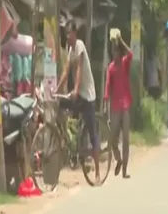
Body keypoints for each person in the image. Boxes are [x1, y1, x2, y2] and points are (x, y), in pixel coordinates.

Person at [56, 22, 101, 184]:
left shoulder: (80, 45)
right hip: (77, 95)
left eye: (70, 34)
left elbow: (80, 68)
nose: (68, 37)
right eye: (66, 34)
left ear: (75, 33)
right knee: (60, 104)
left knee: (92, 132)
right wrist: (56, 89)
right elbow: (66, 70)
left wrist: (75, 89)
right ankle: (69, 140)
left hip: (87, 96)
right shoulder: (70, 50)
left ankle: (97, 172)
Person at [104, 32, 132, 179]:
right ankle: (118, 159)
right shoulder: (111, 68)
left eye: (116, 51)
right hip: (115, 107)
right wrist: (105, 99)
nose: (115, 54)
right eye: (113, 52)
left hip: (126, 104)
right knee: (113, 139)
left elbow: (131, 53)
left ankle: (125, 170)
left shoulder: (125, 62)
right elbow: (108, 85)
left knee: (126, 139)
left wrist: (121, 40)